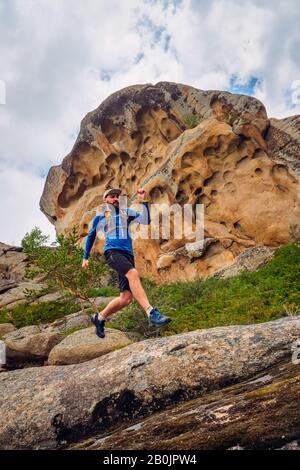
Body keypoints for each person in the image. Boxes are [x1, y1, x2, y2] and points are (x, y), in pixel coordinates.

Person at [82, 187, 171, 338]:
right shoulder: (101, 217)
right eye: (111, 196)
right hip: (112, 252)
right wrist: (85, 257)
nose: (115, 198)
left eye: (117, 196)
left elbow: (145, 220)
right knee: (133, 273)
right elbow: (91, 236)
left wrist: (143, 200)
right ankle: (151, 313)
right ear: (105, 200)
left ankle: (99, 318)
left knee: (126, 298)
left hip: (128, 255)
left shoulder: (126, 213)